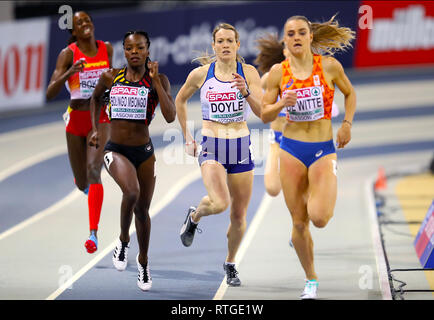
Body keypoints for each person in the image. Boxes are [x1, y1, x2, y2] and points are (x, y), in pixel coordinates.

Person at [261, 15, 356, 299]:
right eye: (291, 34)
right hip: (290, 151)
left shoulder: (329, 66)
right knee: (299, 222)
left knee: (320, 217)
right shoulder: (278, 73)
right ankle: (311, 279)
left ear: (311, 36)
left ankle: (305, 223)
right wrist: (281, 103)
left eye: (302, 32)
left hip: (322, 150)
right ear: (285, 41)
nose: (296, 37)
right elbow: (265, 113)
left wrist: (347, 124)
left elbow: (350, 94)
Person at [176, 23, 263, 287]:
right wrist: (187, 138)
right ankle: (195, 216)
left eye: (230, 41)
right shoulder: (201, 75)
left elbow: (261, 112)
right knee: (220, 202)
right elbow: (180, 100)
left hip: (240, 146)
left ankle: (230, 263)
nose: (225, 45)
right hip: (212, 145)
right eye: (220, 41)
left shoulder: (249, 73)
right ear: (214, 46)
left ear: (238, 45)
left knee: (238, 214)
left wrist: (246, 92)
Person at [89, 30, 176, 291]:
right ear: (124, 51)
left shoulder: (158, 80)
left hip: (145, 152)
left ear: (148, 51)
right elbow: (94, 99)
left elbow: (170, 116)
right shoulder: (110, 76)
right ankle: (124, 239)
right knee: (131, 192)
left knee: (142, 210)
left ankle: (143, 262)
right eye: (129, 48)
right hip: (115, 149)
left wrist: (157, 82)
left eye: (139, 48)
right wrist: (95, 129)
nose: (134, 52)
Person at [46, 11, 113, 254]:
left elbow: (111, 79)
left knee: (95, 170)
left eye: (87, 20)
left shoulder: (107, 49)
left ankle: (93, 234)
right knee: (82, 181)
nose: (85, 24)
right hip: (76, 119)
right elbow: (49, 93)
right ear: (74, 31)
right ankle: (82, 183)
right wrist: (69, 72)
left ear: (93, 25)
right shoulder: (68, 54)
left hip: (100, 117)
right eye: (79, 23)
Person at [254, 33, 340, 198]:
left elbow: (330, 108)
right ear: (285, 52)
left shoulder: (312, 77)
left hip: (304, 140)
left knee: (305, 197)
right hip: (278, 141)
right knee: (272, 188)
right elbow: (258, 98)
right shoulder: (272, 77)